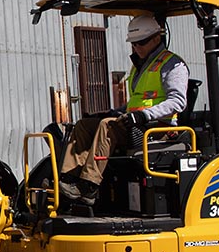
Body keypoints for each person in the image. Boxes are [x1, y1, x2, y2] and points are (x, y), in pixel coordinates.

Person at [59, 13, 189, 206]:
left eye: (141, 42)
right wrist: (112, 112)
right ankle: (68, 179)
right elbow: (135, 102)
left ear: (156, 38)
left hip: (156, 129)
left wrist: (143, 115)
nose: (137, 47)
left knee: (107, 126)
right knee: (85, 125)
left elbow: (178, 101)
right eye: (133, 43)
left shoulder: (172, 64)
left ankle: (89, 186)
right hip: (135, 124)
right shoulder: (140, 66)